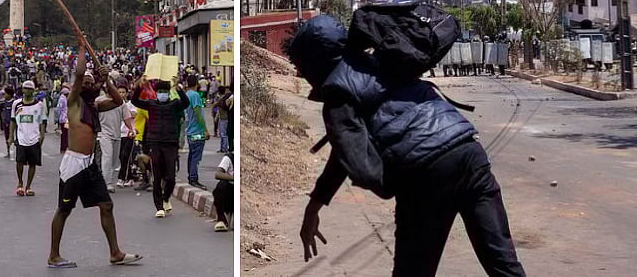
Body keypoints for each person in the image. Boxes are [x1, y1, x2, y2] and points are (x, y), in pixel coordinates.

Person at [288, 15, 525, 276]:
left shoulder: (336, 92)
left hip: (426, 171)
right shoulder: (380, 60)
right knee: (503, 264)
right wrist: (316, 203)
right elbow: (343, 151)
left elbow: (353, 156)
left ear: (312, 62)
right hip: (468, 151)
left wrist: (391, 184)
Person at [48, 33, 140, 268]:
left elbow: (119, 101)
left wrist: (106, 79)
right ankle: (53, 255)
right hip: (73, 165)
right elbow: (79, 74)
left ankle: (115, 253)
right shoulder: (74, 103)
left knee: (106, 205)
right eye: (85, 83)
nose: (88, 84)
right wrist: (81, 47)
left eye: (92, 83)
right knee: (64, 210)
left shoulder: (95, 105)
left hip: (89, 164)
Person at [131, 76, 190, 218]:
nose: (163, 93)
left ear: (168, 93)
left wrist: (179, 88)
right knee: (156, 176)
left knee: (170, 177)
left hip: (170, 144)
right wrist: (140, 86)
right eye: (160, 91)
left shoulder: (175, 104)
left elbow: (186, 103)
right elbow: (135, 101)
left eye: (165, 91)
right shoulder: (150, 104)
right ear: (157, 93)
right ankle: (159, 207)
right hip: (155, 143)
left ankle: (165, 198)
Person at [8, 80, 45, 195]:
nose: (27, 91)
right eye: (26, 88)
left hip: (34, 138)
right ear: (22, 89)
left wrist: (42, 135)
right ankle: (20, 183)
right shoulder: (16, 104)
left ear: (33, 91)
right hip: (21, 137)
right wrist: (11, 136)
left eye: (30, 89)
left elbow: (42, 122)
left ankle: (28, 186)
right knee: (19, 162)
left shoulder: (39, 105)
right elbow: (13, 121)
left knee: (32, 164)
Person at [97, 82, 134, 193]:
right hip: (104, 134)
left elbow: (126, 117)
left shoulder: (120, 103)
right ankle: (106, 183)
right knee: (107, 158)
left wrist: (131, 129)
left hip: (117, 135)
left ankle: (108, 181)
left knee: (114, 161)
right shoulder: (99, 101)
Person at [184, 74, 210, 190]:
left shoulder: (186, 95)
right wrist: (205, 130)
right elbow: (198, 114)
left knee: (192, 155)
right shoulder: (195, 96)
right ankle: (194, 178)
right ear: (196, 83)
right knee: (196, 157)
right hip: (197, 131)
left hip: (189, 131)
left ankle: (191, 177)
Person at [116, 84, 137, 187]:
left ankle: (121, 178)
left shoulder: (130, 104)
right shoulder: (115, 105)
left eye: (123, 92)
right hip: (119, 134)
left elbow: (134, 114)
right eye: (119, 92)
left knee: (126, 156)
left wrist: (124, 109)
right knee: (121, 157)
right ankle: (130, 177)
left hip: (129, 134)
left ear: (127, 93)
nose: (121, 94)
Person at [212, 152, 234, 232]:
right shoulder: (229, 158)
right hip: (229, 190)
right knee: (220, 187)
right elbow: (218, 174)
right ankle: (221, 219)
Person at [0, 87, 15, 159]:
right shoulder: (4, 103)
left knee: (13, 137)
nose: (4, 95)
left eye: (5, 94)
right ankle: (8, 151)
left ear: (9, 94)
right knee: (7, 138)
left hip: (12, 124)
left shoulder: (14, 103)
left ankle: (14, 152)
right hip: (5, 124)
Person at [56, 87, 69, 154]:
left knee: (66, 134)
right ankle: (63, 148)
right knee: (64, 134)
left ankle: (65, 147)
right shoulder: (62, 99)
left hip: (66, 119)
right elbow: (58, 109)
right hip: (63, 119)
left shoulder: (65, 99)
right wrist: (58, 118)